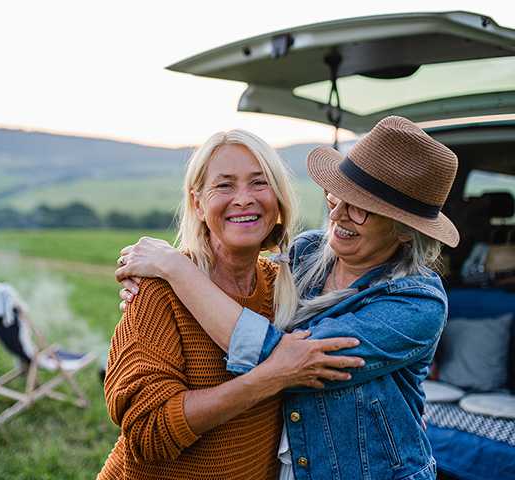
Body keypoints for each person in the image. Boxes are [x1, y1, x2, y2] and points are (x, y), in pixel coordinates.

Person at [115, 116, 460, 480]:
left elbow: (285, 359)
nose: (338, 215)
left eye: (360, 208)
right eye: (336, 196)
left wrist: (176, 270)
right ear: (197, 202)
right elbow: (239, 264)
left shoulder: (416, 304)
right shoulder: (306, 253)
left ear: (405, 230)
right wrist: (163, 278)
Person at [98, 129, 362, 480]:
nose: (243, 199)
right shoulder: (159, 289)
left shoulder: (284, 285)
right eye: (224, 186)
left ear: (279, 199)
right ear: (197, 203)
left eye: (259, 183)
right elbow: (149, 432)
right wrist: (268, 379)